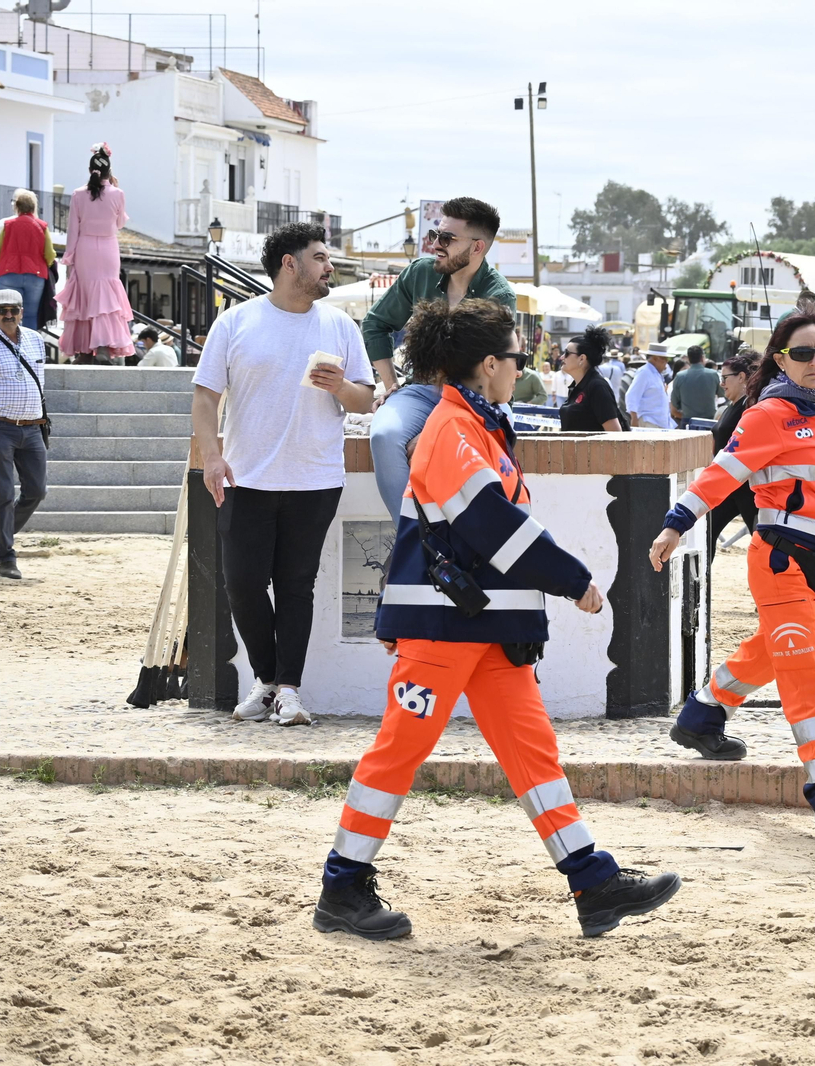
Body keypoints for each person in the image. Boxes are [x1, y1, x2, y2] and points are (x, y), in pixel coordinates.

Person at [315, 297, 680, 942]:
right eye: (516, 358)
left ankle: (592, 882)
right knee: (400, 752)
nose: (523, 367)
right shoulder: (455, 432)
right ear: (489, 364)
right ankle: (342, 888)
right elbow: (493, 528)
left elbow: (490, 528)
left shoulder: (474, 427)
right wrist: (573, 581)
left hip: (479, 627)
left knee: (533, 755)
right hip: (444, 627)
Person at [648, 294, 815, 832]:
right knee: (804, 666)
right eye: (803, 354)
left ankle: (702, 714)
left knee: (776, 650)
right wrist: (675, 524)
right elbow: (720, 473)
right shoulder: (768, 415)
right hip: (781, 562)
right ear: (780, 359)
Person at [191, 222, 375, 727]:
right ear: (289, 264)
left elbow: (367, 397)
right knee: (243, 584)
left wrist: (341, 387)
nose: (328, 266)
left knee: (296, 587)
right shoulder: (237, 323)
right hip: (246, 477)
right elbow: (206, 396)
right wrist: (211, 455)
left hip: (315, 479)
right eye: (319, 257)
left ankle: (288, 692)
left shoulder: (339, 325)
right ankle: (267, 679)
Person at [364, 197, 514, 518]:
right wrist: (390, 384)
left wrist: (435, 430)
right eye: (435, 235)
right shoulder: (420, 273)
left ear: (477, 248)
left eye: (447, 239)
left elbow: (491, 377)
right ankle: (413, 538)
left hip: (476, 400)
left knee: (462, 452)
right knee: (384, 434)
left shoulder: (498, 296)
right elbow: (375, 324)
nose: (435, 245)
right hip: (422, 389)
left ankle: (463, 539)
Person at [0, 288, 48, 579]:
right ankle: (6, 557)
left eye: (14, 310)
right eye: (2, 310)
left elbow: (41, 381)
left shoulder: (36, 340)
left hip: (33, 427)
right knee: (2, 493)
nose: (9, 315)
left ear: (22, 312)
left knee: (37, 491)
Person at [57, 143, 133, 365]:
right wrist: (113, 189)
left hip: (85, 249)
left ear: (90, 171)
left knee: (84, 297)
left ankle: (82, 350)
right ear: (109, 171)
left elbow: (73, 229)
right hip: (108, 248)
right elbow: (119, 224)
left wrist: (69, 257)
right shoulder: (118, 193)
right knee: (106, 298)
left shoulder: (78, 194)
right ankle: (101, 347)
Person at [705, 353, 759, 555]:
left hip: (746, 486)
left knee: (763, 542)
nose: (722, 384)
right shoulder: (732, 406)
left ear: (742, 377)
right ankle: (703, 584)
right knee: (707, 532)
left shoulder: (750, 405)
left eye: (725, 378)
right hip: (728, 486)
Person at [0, 188, 55, 329]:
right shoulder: (42, 226)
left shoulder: (8, 225)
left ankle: (6, 347)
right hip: (35, 276)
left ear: (17, 207)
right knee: (30, 315)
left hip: (9, 274)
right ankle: (28, 348)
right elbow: (49, 254)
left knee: (6, 315)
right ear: (33, 207)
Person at [559, 325, 627, 432]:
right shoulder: (577, 386)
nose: (561, 357)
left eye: (567, 353)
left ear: (582, 358)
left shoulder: (597, 387)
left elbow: (615, 435)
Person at [670, 346, 720, 428]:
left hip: (688, 423)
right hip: (710, 422)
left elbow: (673, 407)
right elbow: (723, 395)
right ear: (702, 358)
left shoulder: (680, 376)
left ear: (688, 359)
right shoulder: (713, 374)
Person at [626, 348, 674, 428]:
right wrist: (634, 419)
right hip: (649, 422)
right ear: (655, 358)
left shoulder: (656, 374)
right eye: (665, 359)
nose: (666, 363)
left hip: (658, 423)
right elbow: (631, 395)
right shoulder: (644, 372)